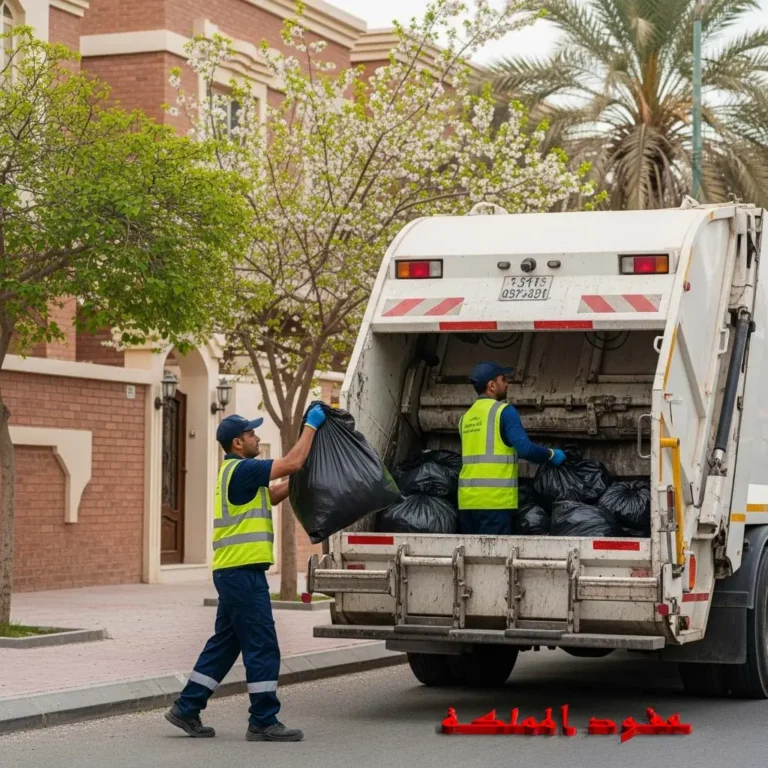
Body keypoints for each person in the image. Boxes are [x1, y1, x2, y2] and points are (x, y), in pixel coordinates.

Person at [164, 405, 327, 742]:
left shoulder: (234, 474)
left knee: (226, 643)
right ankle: (263, 720)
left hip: (232, 572)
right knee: (262, 644)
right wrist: (311, 427)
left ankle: (186, 707)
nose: (257, 437)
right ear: (238, 443)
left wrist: (302, 476)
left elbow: (276, 494)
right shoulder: (244, 470)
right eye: (252, 434)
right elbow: (291, 463)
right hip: (242, 574)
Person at [459, 361, 565, 536]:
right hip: (494, 503)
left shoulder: (465, 418)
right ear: (492, 385)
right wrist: (551, 454)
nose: (507, 383)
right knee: (494, 561)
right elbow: (525, 450)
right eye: (503, 379)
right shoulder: (504, 411)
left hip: (466, 502)